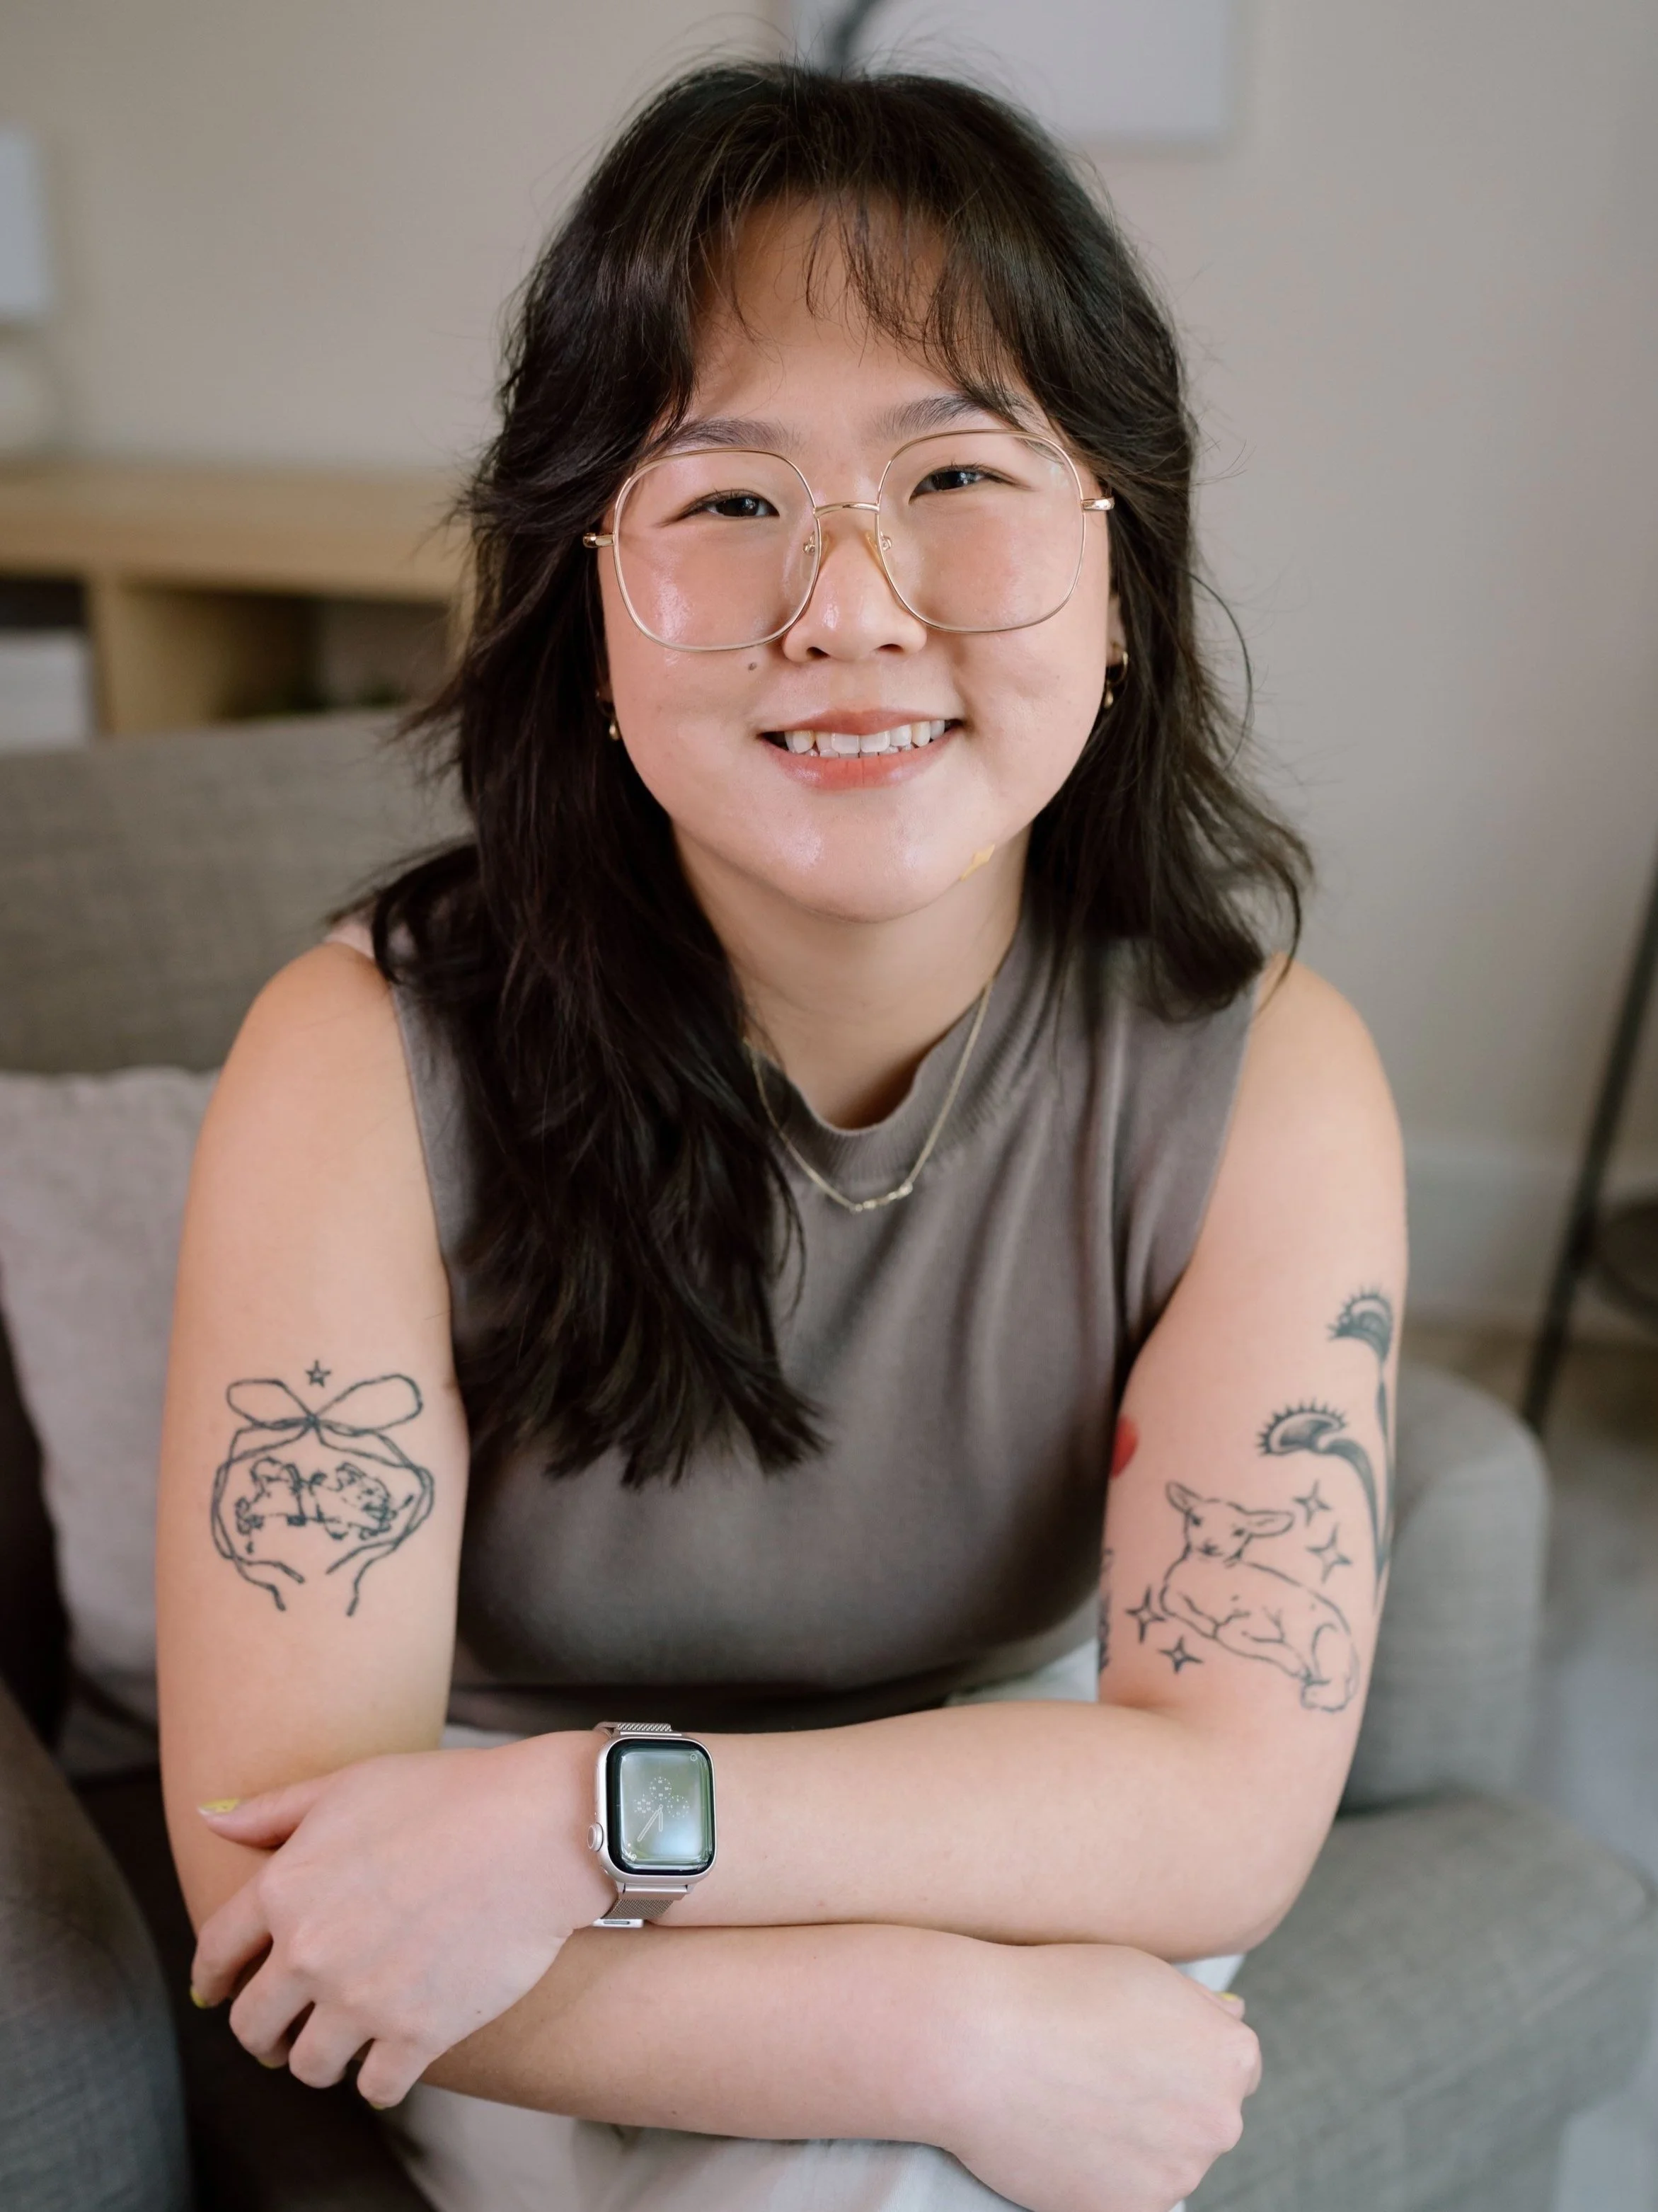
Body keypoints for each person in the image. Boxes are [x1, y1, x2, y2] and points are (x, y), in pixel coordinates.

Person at [156, 60, 1405, 2212]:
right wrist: (938, 2034)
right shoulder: (354, 1058)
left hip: (975, 1801)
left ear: (1120, 571)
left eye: (960, 472)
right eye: (728, 500)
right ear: (584, 595)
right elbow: (298, 1885)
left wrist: (600, 1826)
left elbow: (1215, 1799)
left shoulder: (1267, 1076)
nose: (848, 606)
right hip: (466, 1836)